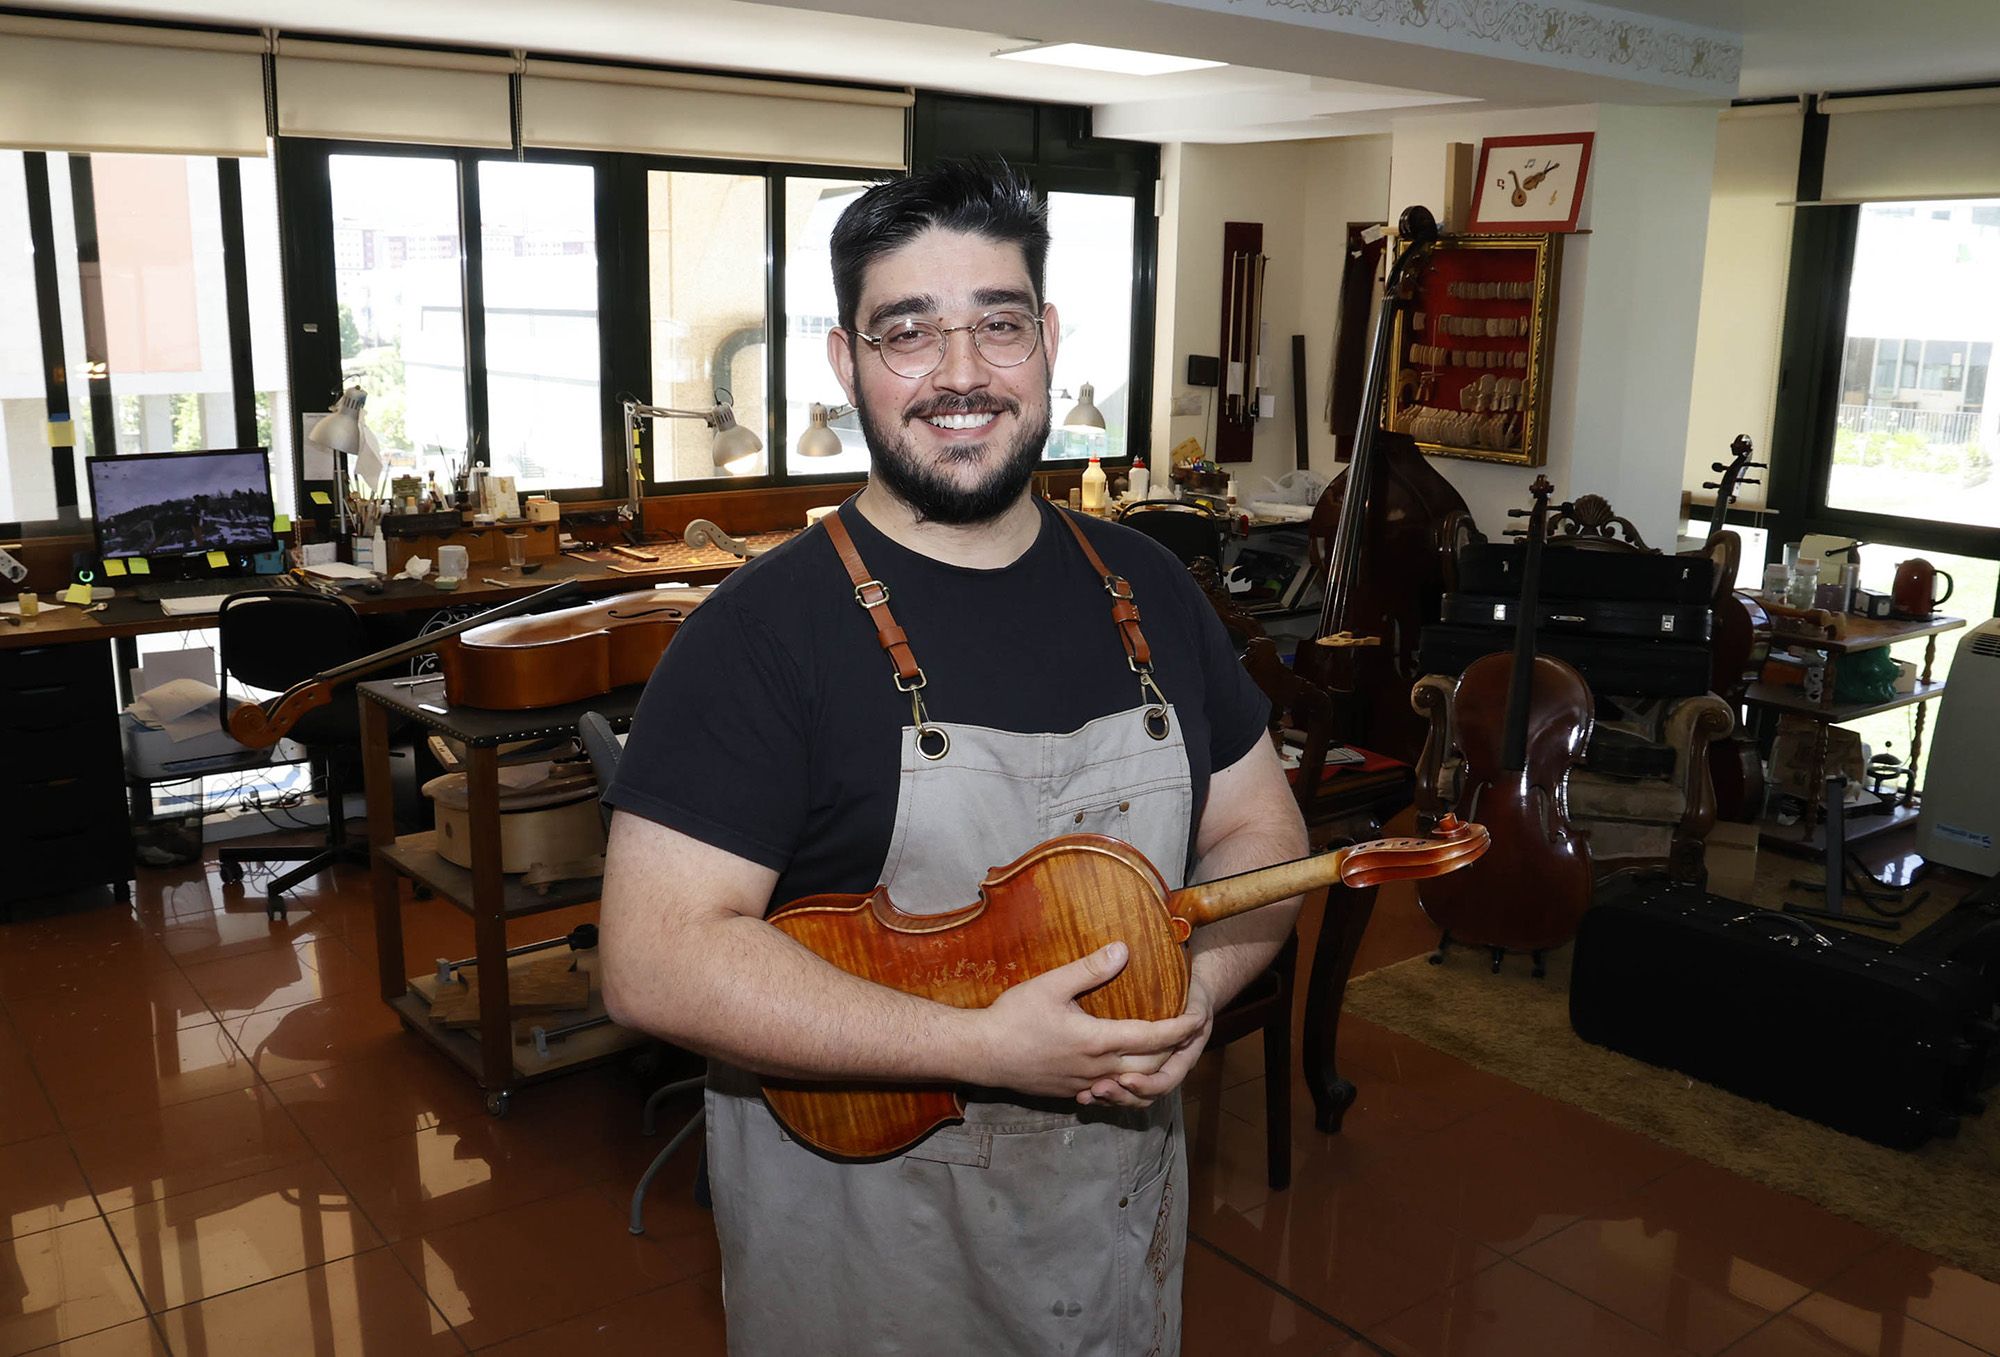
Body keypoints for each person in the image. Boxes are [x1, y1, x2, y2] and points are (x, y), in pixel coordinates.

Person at [600, 159, 1307, 1356]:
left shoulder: (1146, 588)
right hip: (873, 1260)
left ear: (1048, 342)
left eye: (999, 323)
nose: (962, 373)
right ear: (845, 364)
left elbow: (1264, 840)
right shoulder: (760, 637)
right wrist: (981, 1047)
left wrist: (1187, 995)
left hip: (1109, 1239)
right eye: (908, 333)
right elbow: (656, 960)